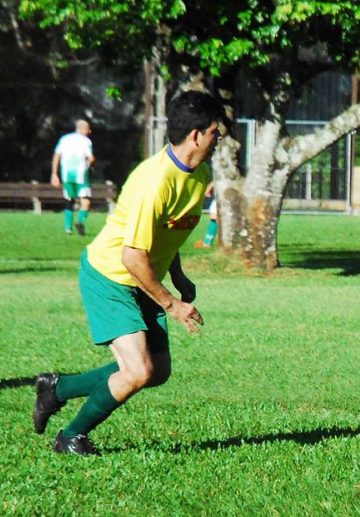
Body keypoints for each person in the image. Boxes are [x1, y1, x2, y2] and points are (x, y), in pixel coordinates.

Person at [33, 91, 226, 455]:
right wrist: (172, 304)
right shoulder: (153, 181)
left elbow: (167, 233)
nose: (220, 140)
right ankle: (71, 437)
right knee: (137, 371)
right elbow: (133, 256)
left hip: (142, 277)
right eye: (217, 132)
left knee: (158, 371)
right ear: (196, 134)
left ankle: (56, 389)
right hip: (112, 276)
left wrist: (179, 277)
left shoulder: (198, 174)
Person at [51, 119, 95, 236]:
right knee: (85, 200)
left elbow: (57, 155)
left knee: (69, 200)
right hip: (81, 175)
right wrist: (89, 165)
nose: (90, 131)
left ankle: (68, 229)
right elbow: (91, 158)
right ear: (83, 129)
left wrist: (54, 174)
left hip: (66, 175)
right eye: (88, 129)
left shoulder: (64, 139)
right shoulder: (86, 141)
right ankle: (80, 221)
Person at [195, 182, 218, 248]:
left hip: (221, 199)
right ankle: (207, 242)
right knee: (214, 219)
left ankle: (207, 243)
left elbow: (213, 183)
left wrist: (209, 188)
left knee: (214, 218)